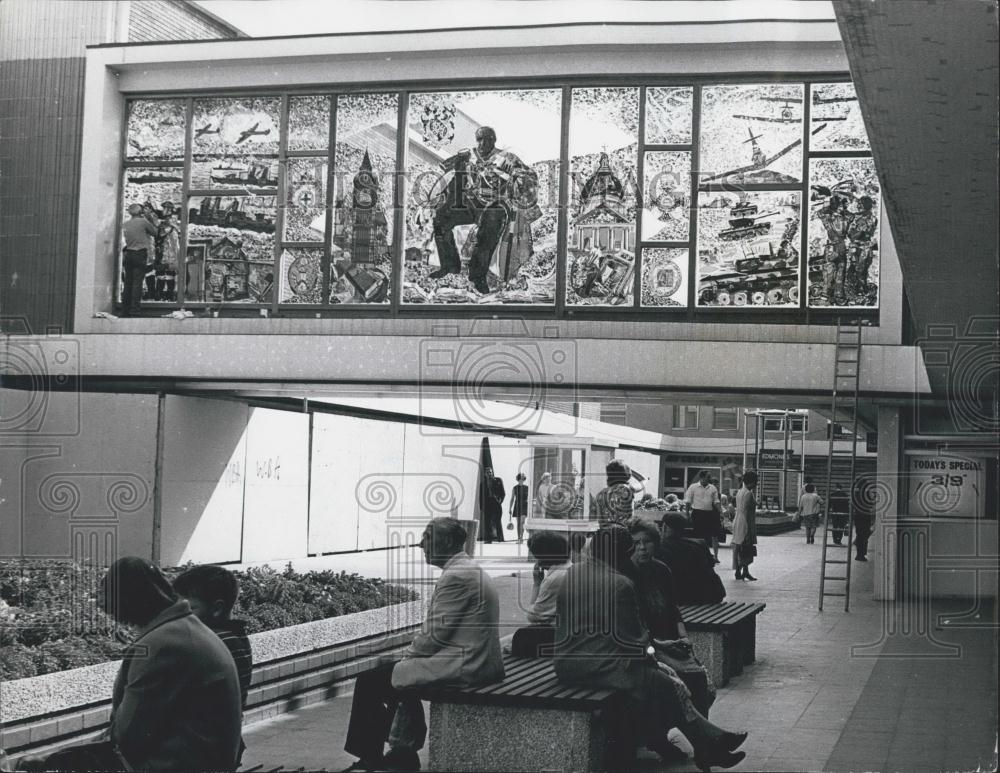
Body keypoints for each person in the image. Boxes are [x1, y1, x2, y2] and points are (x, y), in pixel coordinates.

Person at [554, 525, 747, 771]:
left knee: (668, 681)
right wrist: (660, 660)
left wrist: (659, 648)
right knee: (669, 683)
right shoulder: (619, 584)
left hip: (570, 661)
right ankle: (708, 743)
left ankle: (709, 743)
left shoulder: (576, 573)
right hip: (599, 666)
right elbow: (634, 642)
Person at [343, 518, 504, 772]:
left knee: (371, 681)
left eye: (428, 537)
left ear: (448, 541)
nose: (421, 543)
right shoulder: (467, 569)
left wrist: (408, 658)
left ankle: (372, 757)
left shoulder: (457, 577)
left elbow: (434, 635)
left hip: (467, 665)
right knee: (399, 677)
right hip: (476, 660)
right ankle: (402, 751)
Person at [430, 126, 540, 294]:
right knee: (441, 219)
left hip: (495, 204)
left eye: (487, 139)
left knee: (490, 228)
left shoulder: (507, 157)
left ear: (494, 140)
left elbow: (530, 176)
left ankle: (477, 276)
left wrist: (513, 175)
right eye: (480, 139)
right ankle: (450, 266)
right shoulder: (469, 155)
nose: (483, 143)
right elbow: (446, 170)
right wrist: (460, 164)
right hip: (471, 202)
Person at [628, 517, 716, 719]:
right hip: (649, 646)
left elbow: (673, 609)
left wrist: (684, 636)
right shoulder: (627, 576)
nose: (642, 548)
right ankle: (699, 736)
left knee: (699, 676)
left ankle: (701, 736)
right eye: (636, 543)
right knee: (685, 678)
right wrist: (660, 644)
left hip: (671, 641)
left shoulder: (662, 570)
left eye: (647, 542)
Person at [510, 531, 571, 657]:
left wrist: (537, 584)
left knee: (521, 636)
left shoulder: (554, 578)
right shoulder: (570, 568)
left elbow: (534, 617)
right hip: (572, 630)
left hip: (561, 635)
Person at [658, 512, 727, 604]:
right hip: (708, 596)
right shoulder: (699, 543)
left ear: (665, 527)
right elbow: (711, 563)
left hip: (681, 597)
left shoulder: (661, 547)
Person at [121, 203, 158, 316]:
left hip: (128, 253)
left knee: (128, 283)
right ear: (140, 212)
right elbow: (155, 233)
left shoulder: (126, 224)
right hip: (140, 253)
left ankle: (125, 309)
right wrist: (151, 219)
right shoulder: (143, 222)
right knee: (137, 283)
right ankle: (135, 310)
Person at [818, 194, 850, 304]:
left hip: (832, 246)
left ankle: (826, 295)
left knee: (829, 272)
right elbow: (851, 215)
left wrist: (829, 204)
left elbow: (820, 212)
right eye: (841, 205)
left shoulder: (828, 217)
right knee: (840, 271)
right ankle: (838, 296)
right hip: (840, 246)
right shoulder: (846, 217)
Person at [732, 471, 759, 582]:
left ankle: (741, 571)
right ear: (752, 482)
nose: (756, 484)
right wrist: (748, 530)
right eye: (756, 482)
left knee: (740, 547)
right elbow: (747, 512)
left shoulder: (740, 492)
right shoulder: (748, 493)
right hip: (745, 522)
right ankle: (743, 571)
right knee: (746, 547)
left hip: (738, 520)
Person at [684, 470, 721, 548]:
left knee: (707, 536)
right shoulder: (693, 487)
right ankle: (697, 554)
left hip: (709, 514)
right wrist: (687, 515)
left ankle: (706, 554)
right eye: (708, 477)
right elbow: (688, 501)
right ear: (702, 477)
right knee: (697, 535)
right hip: (697, 513)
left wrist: (720, 511)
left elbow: (716, 501)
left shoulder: (712, 488)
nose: (709, 478)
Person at [593, 458, 636, 525]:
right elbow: (643, 481)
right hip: (625, 532)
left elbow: (601, 522)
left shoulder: (600, 495)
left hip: (607, 533)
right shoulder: (627, 490)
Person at [853, 480, 874, 561]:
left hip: (857, 515)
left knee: (860, 533)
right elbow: (871, 503)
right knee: (865, 535)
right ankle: (861, 554)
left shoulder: (855, 494)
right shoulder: (866, 494)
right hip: (865, 515)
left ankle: (859, 553)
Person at [484, 473, 505, 543]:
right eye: (487, 473)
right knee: (488, 522)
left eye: (490, 472)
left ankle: (500, 538)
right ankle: (489, 539)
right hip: (487, 503)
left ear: (492, 473)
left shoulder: (498, 480)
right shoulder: (483, 483)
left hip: (496, 503)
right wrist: (481, 506)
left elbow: (503, 492)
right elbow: (481, 495)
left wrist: (500, 501)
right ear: (485, 474)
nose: (489, 474)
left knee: (497, 520)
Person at [509, 472, 529, 542]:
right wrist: (510, 508)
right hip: (517, 505)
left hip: (524, 505)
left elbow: (529, 498)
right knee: (518, 523)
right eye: (520, 478)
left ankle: (521, 537)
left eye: (523, 478)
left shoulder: (527, 488)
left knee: (522, 522)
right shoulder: (515, 488)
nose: (521, 480)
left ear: (524, 479)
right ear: (518, 479)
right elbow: (512, 498)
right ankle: (518, 537)